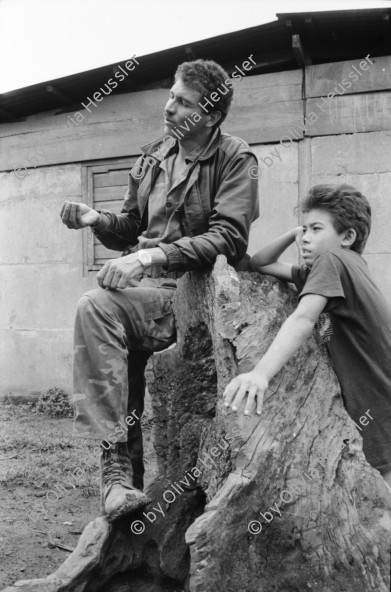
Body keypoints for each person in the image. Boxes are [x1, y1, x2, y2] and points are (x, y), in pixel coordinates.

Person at [60, 59, 259, 521]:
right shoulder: (153, 156)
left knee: (97, 307)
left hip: (195, 294)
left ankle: (119, 475)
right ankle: (120, 481)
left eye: (182, 102)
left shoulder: (236, 158)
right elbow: (131, 227)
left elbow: (229, 236)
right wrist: (97, 220)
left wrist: (148, 257)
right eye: (170, 96)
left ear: (210, 115)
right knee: (109, 327)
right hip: (146, 293)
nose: (168, 108)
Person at [224, 183, 391, 487]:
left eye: (316, 229)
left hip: (378, 404)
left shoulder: (333, 261)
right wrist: (295, 233)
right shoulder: (344, 266)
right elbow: (260, 263)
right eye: (304, 230)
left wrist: (260, 374)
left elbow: (303, 318)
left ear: (347, 237)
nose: (306, 238)